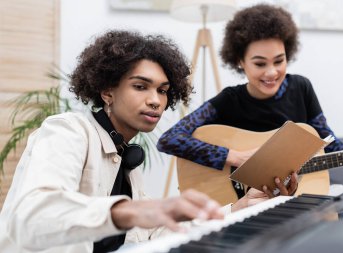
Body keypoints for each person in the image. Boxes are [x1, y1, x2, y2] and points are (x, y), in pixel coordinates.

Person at [0, 30, 227, 253]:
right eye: (140, 86)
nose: (156, 100)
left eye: (162, 90)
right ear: (108, 92)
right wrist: (131, 211)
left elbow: (149, 235)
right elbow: (34, 216)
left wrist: (236, 209)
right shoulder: (68, 130)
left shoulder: (126, 160)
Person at [157, 4, 343, 199]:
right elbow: (169, 139)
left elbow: (331, 145)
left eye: (279, 61)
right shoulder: (230, 100)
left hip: (288, 202)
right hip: (241, 206)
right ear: (240, 61)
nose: (271, 72)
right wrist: (237, 158)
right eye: (260, 64)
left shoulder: (301, 88)